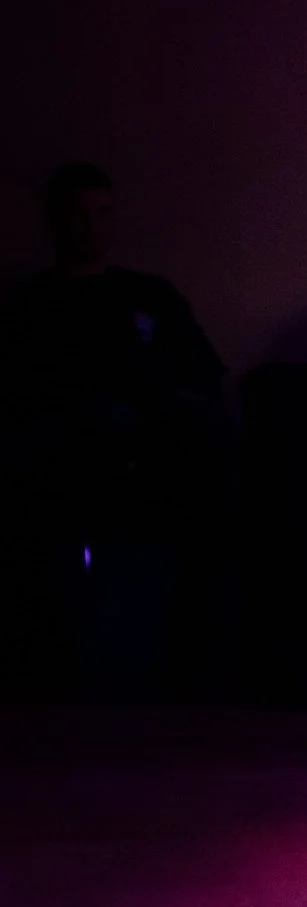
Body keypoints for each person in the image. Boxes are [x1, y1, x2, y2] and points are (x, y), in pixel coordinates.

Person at [2, 163, 225, 696]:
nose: (91, 227)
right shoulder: (28, 306)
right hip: (54, 489)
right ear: (55, 221)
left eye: (102, 214)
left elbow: (207, 379)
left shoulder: (149, 296)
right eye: (78, 215)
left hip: (143, 489)